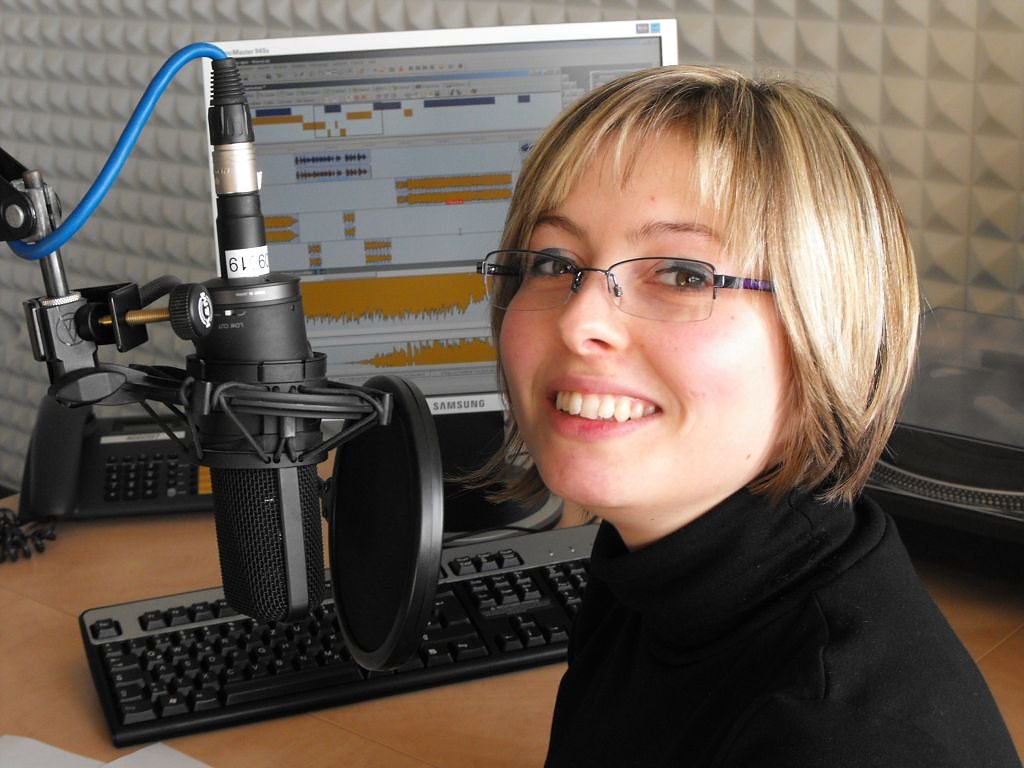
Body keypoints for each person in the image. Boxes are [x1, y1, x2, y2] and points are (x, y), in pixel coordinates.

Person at [472, 65, 1020, 767]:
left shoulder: (839, 735)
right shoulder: (651, 567)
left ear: (823, 331)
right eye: (554, 262)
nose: (580, 321)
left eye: (682, 274)